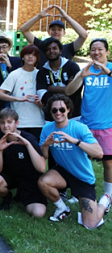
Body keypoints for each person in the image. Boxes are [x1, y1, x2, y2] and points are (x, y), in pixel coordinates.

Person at [39, 94, 110, 228]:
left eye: (62, 109)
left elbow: (99, 153)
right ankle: (62, 208)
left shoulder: (79, 128)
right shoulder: (47, 129)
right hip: (63, 172)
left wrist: (74, 141)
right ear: (50, 112)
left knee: (90, 224)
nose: (58, 113)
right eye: (54, 110)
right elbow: (45, 156)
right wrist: (46, 145)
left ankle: (105, 201)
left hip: (82, 176)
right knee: (43, 182)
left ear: (68, 110)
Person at [65, 38, 112, 199]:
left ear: (107, 52)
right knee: (81, 160)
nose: (96, 52)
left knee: (108, 162)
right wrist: (80, 76)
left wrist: (108, 72)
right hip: (86, 124)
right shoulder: (86, 69)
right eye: (93, 49)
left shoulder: (111, 69)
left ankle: (108, 194)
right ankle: (78, 193)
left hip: (107, 125)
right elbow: (69, 91)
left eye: (100, 49)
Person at [0, 108, 47, 217]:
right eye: (2, 122)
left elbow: (41, 168)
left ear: (17, 123)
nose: (6, 126)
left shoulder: (29, 138)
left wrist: (27, 145)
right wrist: (0, 150)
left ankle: (22, 194)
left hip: (29, 177)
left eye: (9, 122)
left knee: (38, 213)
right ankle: (7, 197)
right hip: (9, 175)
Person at [0, 45, 44, 140]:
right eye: (27, 54)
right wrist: (18, 99)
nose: (30, 57)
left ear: (37, 58)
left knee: (35, 151)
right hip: (19, 122)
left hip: (38, 122)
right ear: (22, 57)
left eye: (34, 55)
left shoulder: (41, 74)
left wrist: (41, 103)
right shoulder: (15, 74)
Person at [20, 5, 88, 68]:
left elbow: (84, 35)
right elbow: (24, 30)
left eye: (59, 30)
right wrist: (39, 16)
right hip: (43, 80)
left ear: (64, 33)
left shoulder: (68, 48)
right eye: (53, 29)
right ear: (49, 32)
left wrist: (66, 17)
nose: (56, 32)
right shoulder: (41, 45)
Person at [36, 37, 81, 122]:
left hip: (74, 116)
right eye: (48, 49)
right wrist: (67, 89)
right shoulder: (42, 72)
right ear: (44, 53)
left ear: (60, 51)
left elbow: (76, 91)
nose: (51, 51)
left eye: (54, 48)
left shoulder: (72, 67)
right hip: (51, 118)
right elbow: (43, 96)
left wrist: (51, 88)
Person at [0, 36, 22, 132]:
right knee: (1, 128)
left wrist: (9, 66)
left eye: (4, 47)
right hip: (0, 102)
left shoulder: (16, 61)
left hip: (15, 100)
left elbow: (19, 80)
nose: (1, 50)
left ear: (9, 48)